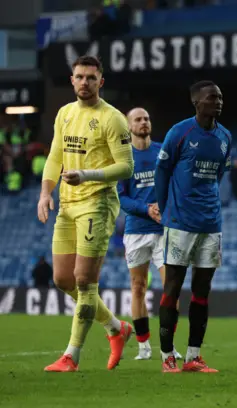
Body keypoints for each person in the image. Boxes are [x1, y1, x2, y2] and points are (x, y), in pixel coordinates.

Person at [37, 55, 134, 372]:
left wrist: (87, 175)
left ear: (100, 82)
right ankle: (117, 329)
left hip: (97, 202)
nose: (84, 82)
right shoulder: (65, 114)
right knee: (63, 279)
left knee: (84, 280)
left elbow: (126, 167)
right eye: (79, 77)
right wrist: (44, 193)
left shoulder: (113, 118)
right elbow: (54, 156)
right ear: (72, 79)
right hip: (66, 205)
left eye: (91, 78)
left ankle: (71, 355)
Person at [155, 80, 231, 373]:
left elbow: (218, 176)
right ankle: (166, 357)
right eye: (213, 97)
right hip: (180, 222)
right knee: (172, 288)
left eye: (221, 97)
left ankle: (193, 356)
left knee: (202, 290)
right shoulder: (180, 132)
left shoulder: (225, 136)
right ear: (197, 102)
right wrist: (165, 209)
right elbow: (162, 172)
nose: (219, 101)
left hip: (211, 223)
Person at [117, 107, 182, 361]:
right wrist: (147, 209)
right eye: (138, 119)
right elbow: (121, 197)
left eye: (146, 118)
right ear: (128, 126)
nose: (144, 122)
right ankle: (144, 346)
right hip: (137, 231)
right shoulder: (124, 158)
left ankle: (169, 344)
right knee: (138, 287)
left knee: (171, 288)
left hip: (165, 230)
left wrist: (165, 209)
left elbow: (176, 185)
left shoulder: (162, 153)